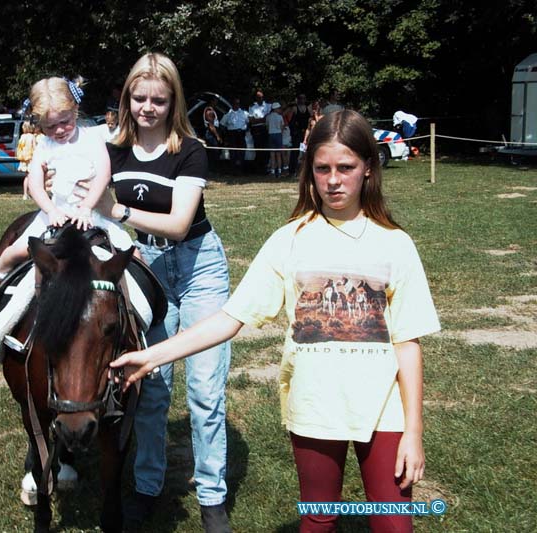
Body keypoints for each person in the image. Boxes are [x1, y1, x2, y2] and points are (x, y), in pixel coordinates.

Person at [111, 109, 441, 533]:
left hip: (384, 413)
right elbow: (230, 318)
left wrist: (413, 430)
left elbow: (408, 342)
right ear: (309, 172)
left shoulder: (396, 244)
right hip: (316, 406)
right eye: (322, 168)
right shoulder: (290, 240)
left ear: (369, 170)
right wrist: (151, 356)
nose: (334, 180)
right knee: (319, 519)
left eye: (346, 167)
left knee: (393, 525)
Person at [91, 52, 232, 532]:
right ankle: (147, 487)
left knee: (205, 389)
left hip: (197, 269)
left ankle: (212, 497)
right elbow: (82, 192)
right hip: (145, 271)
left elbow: (177, 224)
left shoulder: (190, 149)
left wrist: (120, 211)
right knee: (150, 388)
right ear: (127, 98)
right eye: (139, 97)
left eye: (158, 99)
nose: (147, 107)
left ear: (174, 102)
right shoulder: (111, 151)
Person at [0, 76, 135, 298]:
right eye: (50, 126)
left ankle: (154, 297)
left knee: (131, 252)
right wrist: (50, 209)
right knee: (17, 250)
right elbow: (35, 184)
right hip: (54, 213)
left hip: (94, 213)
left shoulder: (92, 138)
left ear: (75, 110)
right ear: (39, 124)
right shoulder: (44, 145)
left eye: (65, 122)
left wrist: (88, 206)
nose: (59, 130)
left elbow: (103, 173)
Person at [220, 97, 249, 172]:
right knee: (233, 153)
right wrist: (226, 135)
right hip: (232, 135)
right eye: (235, 103)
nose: (237, 105)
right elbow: (222, 125)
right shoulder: (228, 114)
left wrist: (246, 130)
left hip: (241, 134)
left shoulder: (244, 113)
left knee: (242, 152)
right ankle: (233, 170)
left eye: (238, 103)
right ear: (232, 104)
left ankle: (241, 169)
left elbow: (249, 122)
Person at [16, 122, 40, 199]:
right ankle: (33, 193)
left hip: (24, 159)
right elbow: (35, 148)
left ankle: (25, 194)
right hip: (31, 159)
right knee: (32, 177)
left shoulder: (22, 136)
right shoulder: (32, 136)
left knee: (27, 177)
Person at [249, 89, 272, 171]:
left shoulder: (269, 106)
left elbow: (269, 118)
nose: (260, 99)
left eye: (261, 97)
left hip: (265, 129)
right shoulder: (252, 107)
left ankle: (265, 167)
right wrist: (263, 119)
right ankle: (259, 169)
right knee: (258, 149)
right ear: (256, 98)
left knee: (266, 149)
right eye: (258, 97)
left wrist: (258, 119)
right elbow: (252, 121)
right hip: (256, 129)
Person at [288, 94, 311, 175]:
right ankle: (292, 170)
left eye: (304, 98)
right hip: (297, 133)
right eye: (300, 98)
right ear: (297, 99)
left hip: (305, 133)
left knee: (305, 152)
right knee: (295, 152)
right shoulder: (294, 108)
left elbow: (311, 119)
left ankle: (305, 170)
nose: (302, 100)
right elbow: (290, 121)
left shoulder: (308, 108)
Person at [266, 102, 284, 177]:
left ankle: (273, 172)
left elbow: (267, 126)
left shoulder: (268, 117)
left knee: (272, 155)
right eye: (279, 108)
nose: (280, 110)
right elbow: (282, 127)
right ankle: (279, 171)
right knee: (278, 154)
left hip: (271, 134)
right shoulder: (280, 117)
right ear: (275, 109)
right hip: (278, 135)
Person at [202, 101, 222, 169]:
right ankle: (212, 169)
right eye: (215, 101)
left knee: (212, 152)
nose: (217, 104)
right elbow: (211, 125)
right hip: (211, 133)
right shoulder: (209, 112)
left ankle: (212, 168)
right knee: (214, 152)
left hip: (212, 132)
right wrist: (217, 136)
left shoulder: (210, 111)